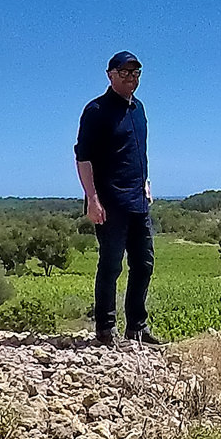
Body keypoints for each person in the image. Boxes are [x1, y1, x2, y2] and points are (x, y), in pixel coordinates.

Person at [74, 51, 160, 345]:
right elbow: (83, 158)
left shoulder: (139, 109)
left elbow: (138, 152)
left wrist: (146, 182)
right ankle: (105, 330)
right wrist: (92, 199)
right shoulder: (96, 110)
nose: (131, 78)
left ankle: (136, 328)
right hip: (110, 203)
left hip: (138, 201)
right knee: (111, 265)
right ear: (110, 75)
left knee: (144, 264)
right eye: (124, 72)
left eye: (135, 73)